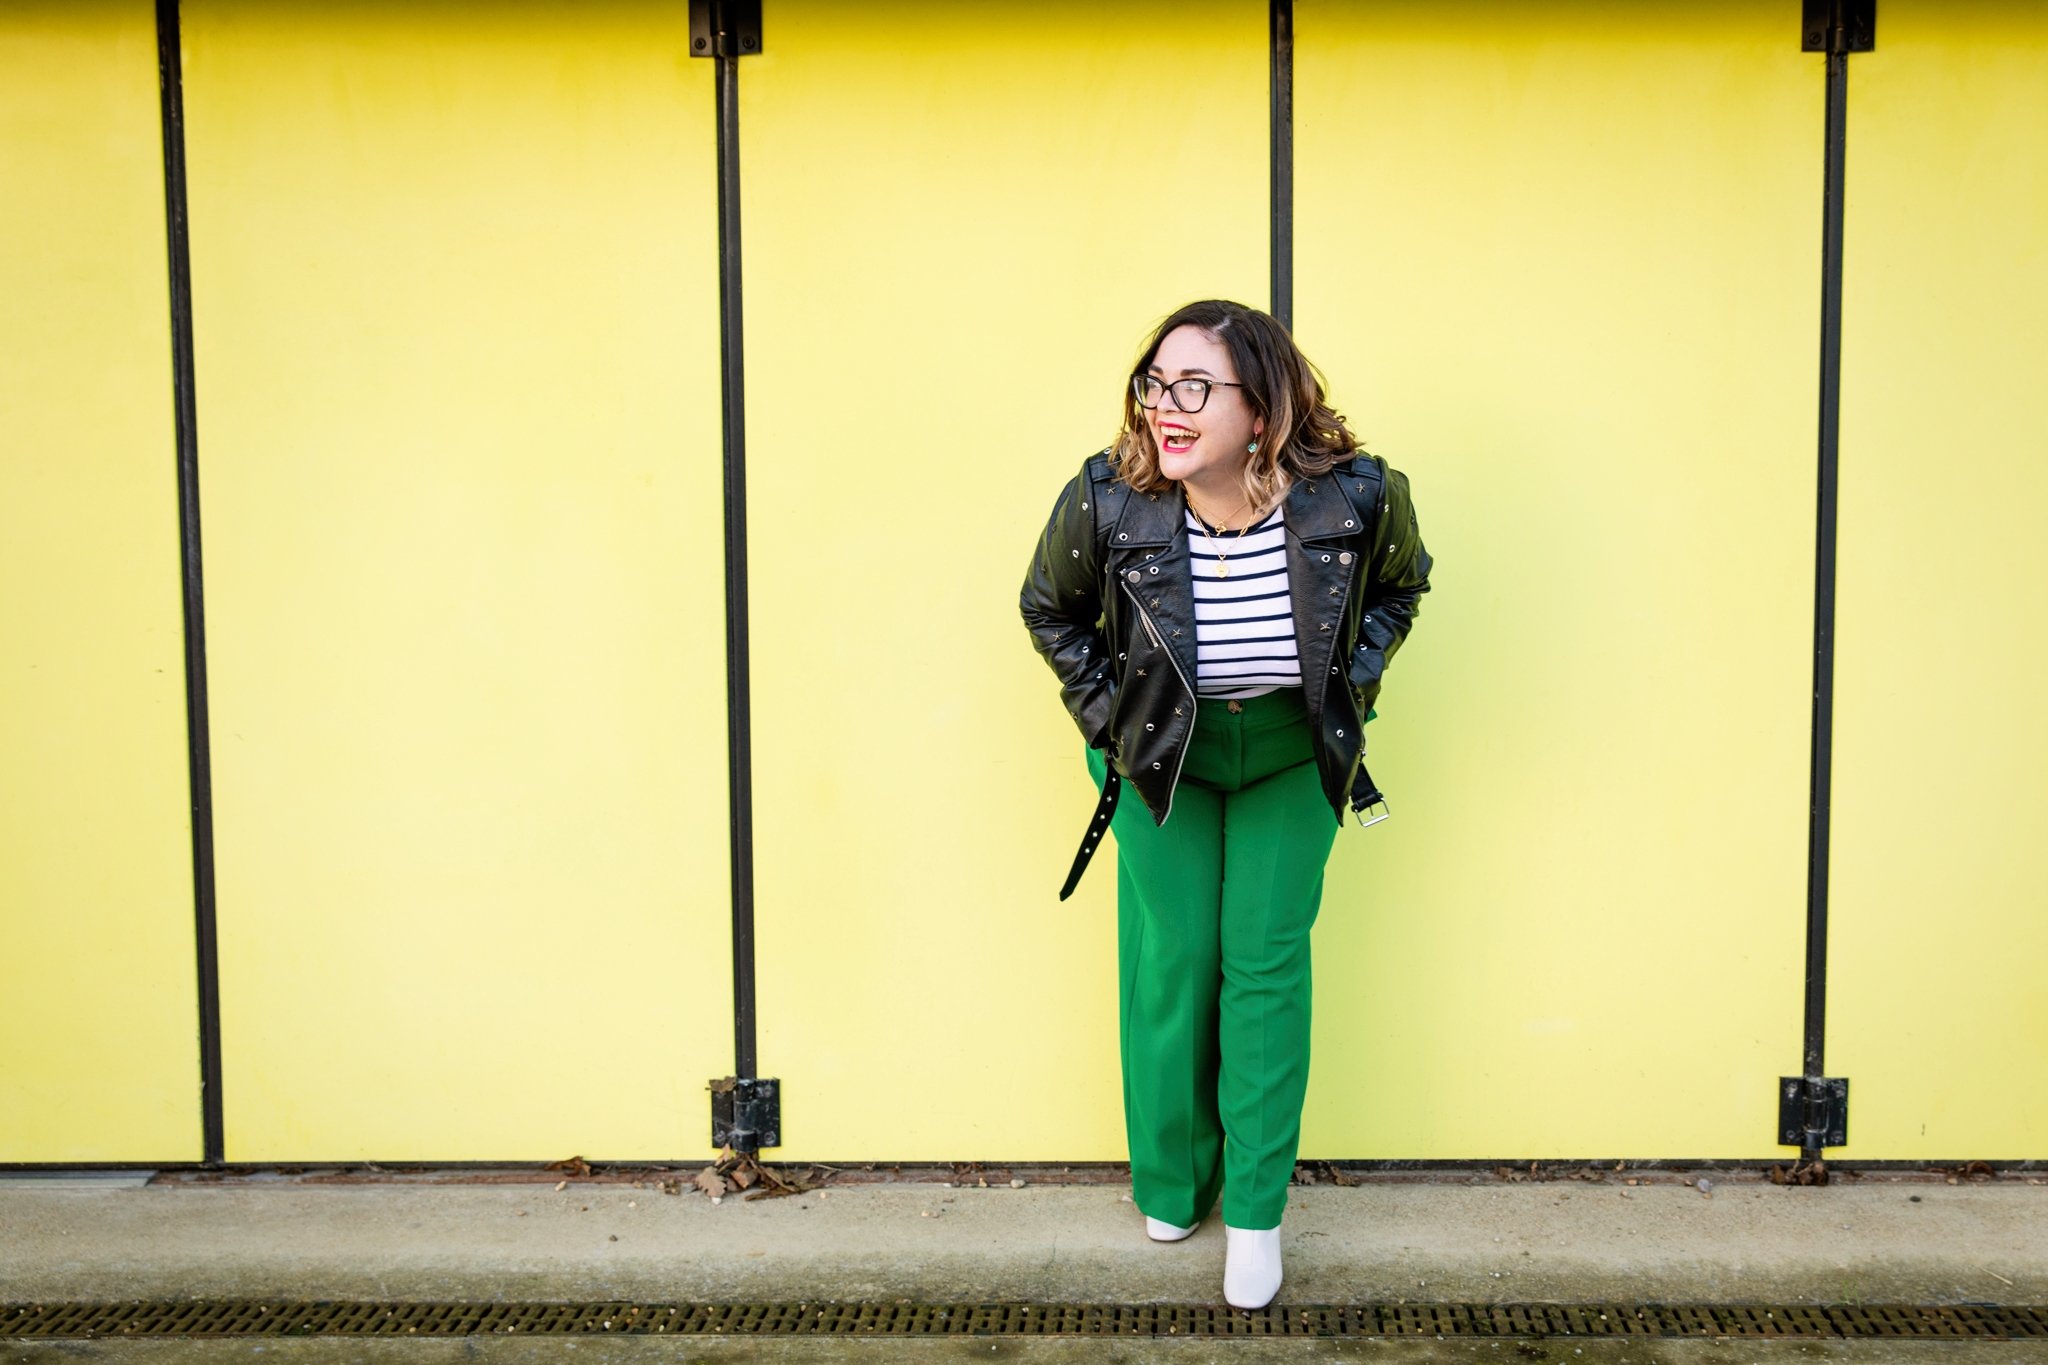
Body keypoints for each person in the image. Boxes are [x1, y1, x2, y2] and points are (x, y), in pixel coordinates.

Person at [1019, 299, 1432, 1310]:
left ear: (1262, 408)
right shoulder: (1107, 498)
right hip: (1159, 752)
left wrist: (1351, 684)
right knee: (1175, 957)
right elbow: (1049, 607)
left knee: (1262, 964)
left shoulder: (1356, 497)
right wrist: (1110, 721)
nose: (1166, 406)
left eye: (1195, 387)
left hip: (1289, 754)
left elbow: (1399, 586)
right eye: (1156, 384)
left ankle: (1253, 1212)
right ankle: (1171, 1183)